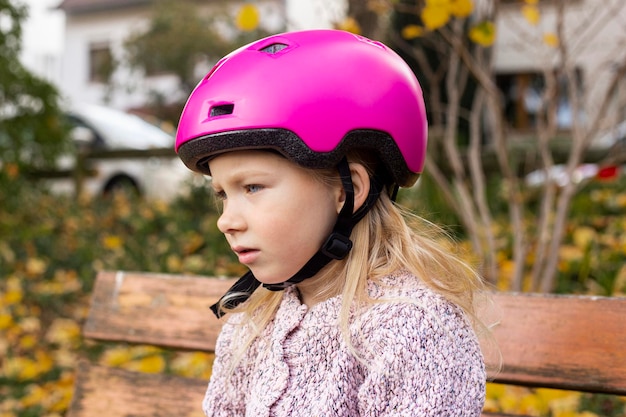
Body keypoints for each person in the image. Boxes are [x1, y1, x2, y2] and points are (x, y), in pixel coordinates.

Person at [175, 29, 488, 416]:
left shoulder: (414, 329)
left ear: (348, 190)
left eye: (253, 187)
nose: (227, 221)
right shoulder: (252, 324)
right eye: (224, 194)